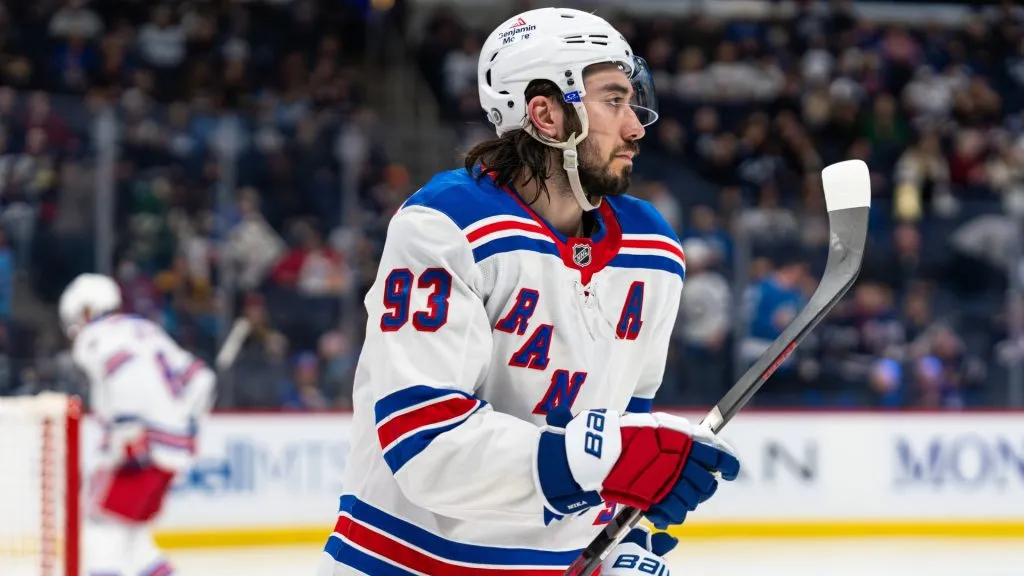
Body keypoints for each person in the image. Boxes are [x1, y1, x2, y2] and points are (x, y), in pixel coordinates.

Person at [317, 8, 740, 575]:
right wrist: (601, 461)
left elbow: (619, 426)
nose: (636, 127)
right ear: (545, 114)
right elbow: (424, 443)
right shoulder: (447, 225)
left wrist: (618, 539)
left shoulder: (653, 249)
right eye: (614, 101)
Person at [59, 273, 216, 575]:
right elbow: (202, 379)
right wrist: (184, 427)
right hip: (173, 452)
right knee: (135, 542)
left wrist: (129, 430)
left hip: (139, 448)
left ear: (88, 310)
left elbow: (126, 374)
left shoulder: (95, 336)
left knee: (100, 532)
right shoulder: (147, 329)